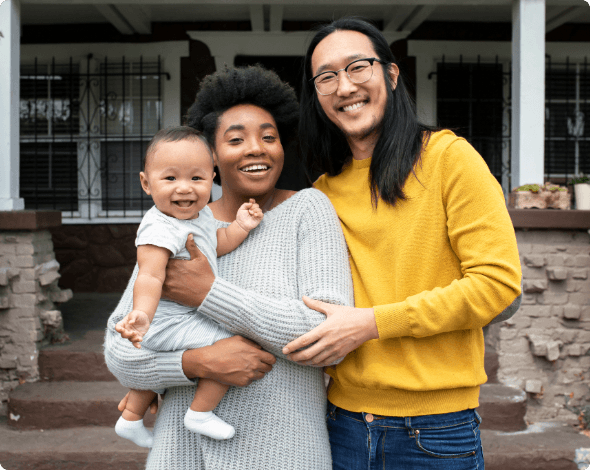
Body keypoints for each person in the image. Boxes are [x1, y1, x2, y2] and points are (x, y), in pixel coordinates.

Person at [282, 18, 523, 469]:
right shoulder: (322, 193)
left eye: (358, 67)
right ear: (317, 95)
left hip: (435, 430)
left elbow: (497, 285)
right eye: (326, 76)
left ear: (391, 75)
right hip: (340, 424)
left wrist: (372, 323)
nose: (344, 86)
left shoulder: (449, 159)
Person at [104, 65, 353, 469]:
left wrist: (209, 293)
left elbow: (326, 335)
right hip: (180, 454)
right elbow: (121, 351)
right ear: (212, 156)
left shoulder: (309, 209)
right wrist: (196, 363)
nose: (257, 148)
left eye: (269, 137)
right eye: (236, 139)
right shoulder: (177, 223)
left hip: (285, 452)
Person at [114, 126, 264, 446]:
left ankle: (130, 418)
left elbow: (217, 244)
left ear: (212, 179)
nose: (185, 188)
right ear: (146, 183)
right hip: (165, 320)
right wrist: (142, 314)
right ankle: (200, 412)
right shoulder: (159, 227)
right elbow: (150, 276)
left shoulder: (200, 218)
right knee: (227, 346)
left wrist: (240, 226)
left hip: (182, 316)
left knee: (199, 346)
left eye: (196, 178)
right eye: (170, 179)